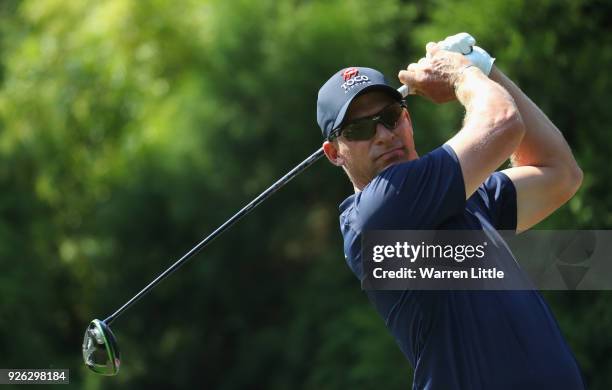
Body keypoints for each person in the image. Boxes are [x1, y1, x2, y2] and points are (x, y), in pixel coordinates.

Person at [316, 37, 585, 389]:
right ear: (334, 153)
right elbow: (502, 123)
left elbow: (561, 173)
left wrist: (487, 69)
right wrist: (464, 74)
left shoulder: (464, 196)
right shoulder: (377, 214)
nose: (383, 134)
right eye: (359, 129)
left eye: (390, 117)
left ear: (407, 118)